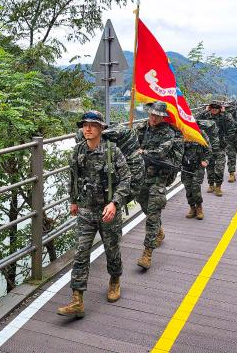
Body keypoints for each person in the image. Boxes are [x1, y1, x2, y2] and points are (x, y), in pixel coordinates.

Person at [57, 110, 131, 318]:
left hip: (108, 211)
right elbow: (73, 176)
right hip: (86, 210)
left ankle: (115, 280)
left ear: (101, 128)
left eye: (92, 125)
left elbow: (126, 178)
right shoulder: (78, 150)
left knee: (112, 250)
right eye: (84, 125)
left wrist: (115, 203)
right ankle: (77, 300)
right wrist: (73, 200)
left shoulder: (113, 151)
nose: (87, 128)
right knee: (81, 253)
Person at [134, 101, 178, 270]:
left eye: (157, 115)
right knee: (145, 207)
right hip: (141, 176)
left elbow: (162, 152)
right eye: (151, 114)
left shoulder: (168, 132)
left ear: (163, 117)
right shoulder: (140, 128)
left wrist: (143, 152)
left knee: (153, 213)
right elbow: (130, 145)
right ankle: (159, 231)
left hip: (159, 178)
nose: (153, 118)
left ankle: (147, 253)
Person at [198, 100, 237, 196]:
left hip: (220, 147)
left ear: (220, 109)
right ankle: (211, 185)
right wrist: (205, 111)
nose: (214, 109)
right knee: (210, 167)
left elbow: (232, 126)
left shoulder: (224, 117)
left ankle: (218, 186)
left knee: (220, 167)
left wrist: (226, 141)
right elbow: (194, 120)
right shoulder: (206, 116)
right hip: (208, 147)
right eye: (212, 107)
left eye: (216, 108)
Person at [182, 122, 212, 219]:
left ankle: (199, 208)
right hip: (186, 166)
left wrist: (206, 160)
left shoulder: (201, 134)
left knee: (195, 186)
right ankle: (192, 207)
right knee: (188, 188)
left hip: (198, 166)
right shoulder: (182, 133)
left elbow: (208, 149)